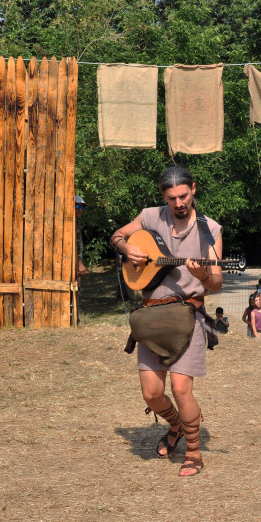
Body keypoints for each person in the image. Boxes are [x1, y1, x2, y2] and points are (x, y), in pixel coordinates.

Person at [109, 166, 222, 477]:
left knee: (181, 387)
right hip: (152, 315)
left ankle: (194, 452)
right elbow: (117, 235)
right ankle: (175, 425)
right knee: (152, 393)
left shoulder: (209, 228)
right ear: (164, 197)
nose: (179, 203)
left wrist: (202, 275)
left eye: (183, 196)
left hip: (188, 314)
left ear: (194, 189)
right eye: (172, 198)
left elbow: (216, 283)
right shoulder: (149, 217)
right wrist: (126, 247)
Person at [75, 195, 87, 278]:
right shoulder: (68, 223)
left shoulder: (76, 222)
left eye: (82, 207)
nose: (80, 209)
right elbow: (68, 246)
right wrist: (79, 263)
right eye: (77, 206)